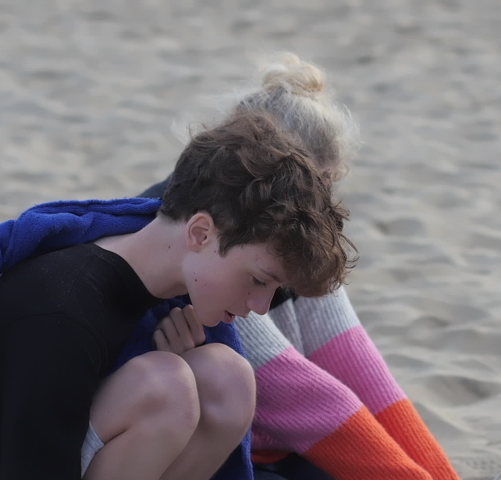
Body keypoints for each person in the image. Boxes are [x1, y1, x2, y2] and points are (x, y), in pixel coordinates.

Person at [0, 111, 354, 480]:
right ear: (199, 232)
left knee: (225, 379)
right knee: (165, 387)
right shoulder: (61, 313)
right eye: (257, 279)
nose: (259, 306)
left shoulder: (152, 278)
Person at [142, 53, 461, 480]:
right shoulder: (208, 235)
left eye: (326, 191)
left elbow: (356, 364)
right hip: (210, 453)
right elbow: (294, 394)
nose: (319, 211)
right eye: (311, 192)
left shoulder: (292, 224)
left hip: (267, 441)